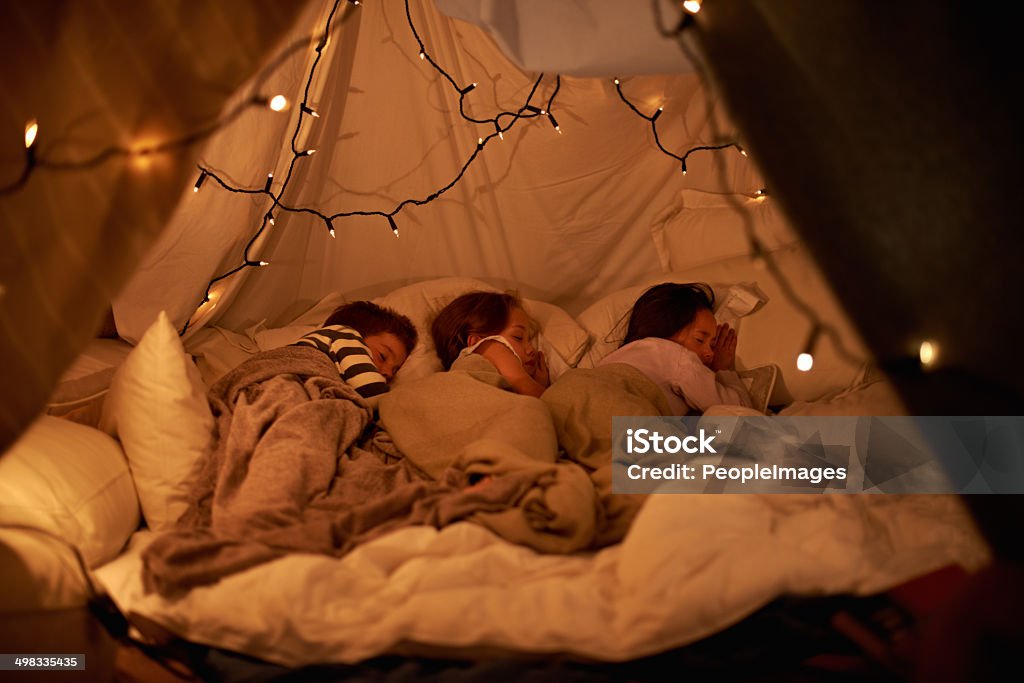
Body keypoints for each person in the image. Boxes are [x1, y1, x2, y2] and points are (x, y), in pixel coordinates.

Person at [597, 282, 753, 414]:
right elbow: (739, 411)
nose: (711, 353)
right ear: (667, 329)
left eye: (712, 345)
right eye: (699, 340)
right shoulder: (677, 357)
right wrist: (724, 370)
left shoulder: (618, 356)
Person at [431, 291, 550, 397]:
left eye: (529, 340)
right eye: (518, 337)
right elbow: (532, 392)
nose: (531, 349)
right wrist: (536, 386)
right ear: (476, 343)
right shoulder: (487, 347)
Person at [292, 300, 417, 400]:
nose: (389, 374)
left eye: (395, 370)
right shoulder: (343, 334)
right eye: (383, 356)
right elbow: (378, 398)